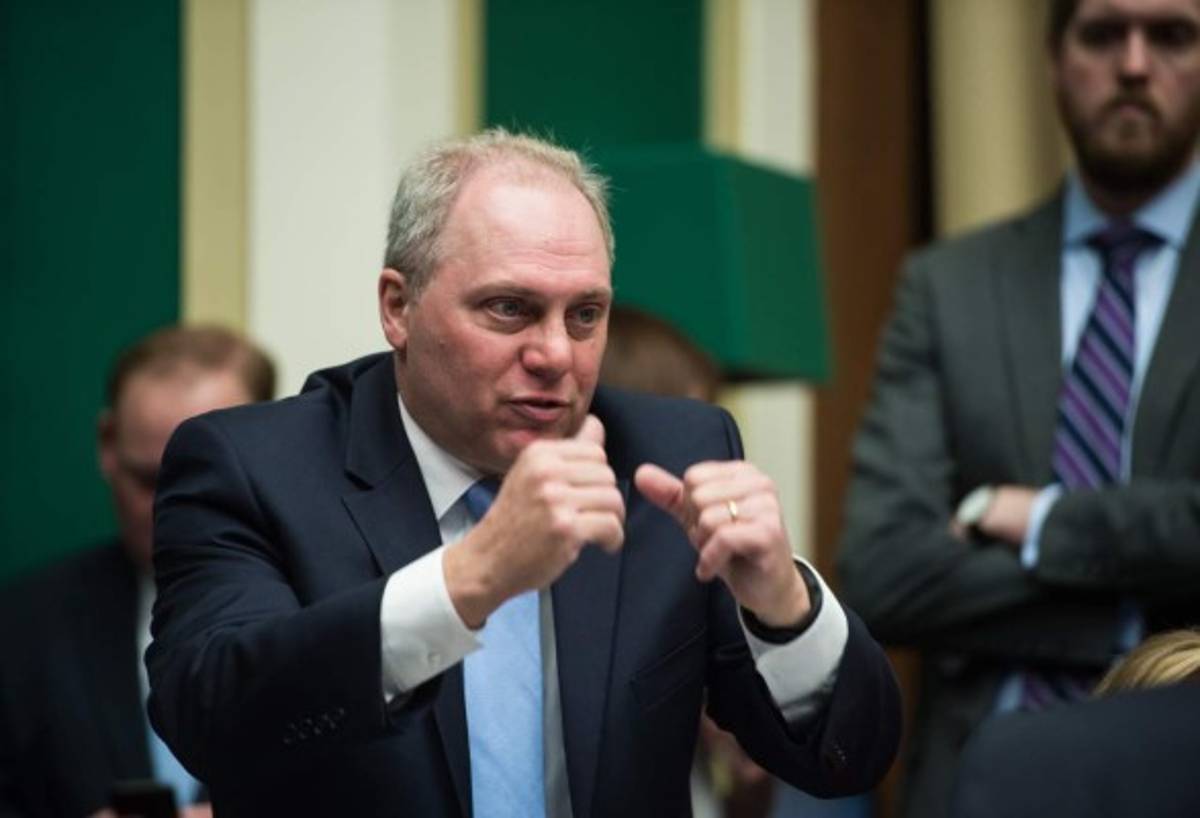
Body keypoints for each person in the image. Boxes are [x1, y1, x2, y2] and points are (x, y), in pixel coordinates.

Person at [146, 129, 901, 818]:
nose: (557, 356)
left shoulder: (667, 453)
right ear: (398, 307)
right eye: (510, 308)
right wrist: (471, 578)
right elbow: (209, 717)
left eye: (585, 315)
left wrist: (784, 606)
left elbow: (845, 759)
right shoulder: (254, 467)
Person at [836, 1, 1200, 816]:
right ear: (1053, 59)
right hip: (981, 778)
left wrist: (1040, 523)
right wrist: (1132, 603)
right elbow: (881, 571)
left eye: (1172, 36)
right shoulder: (949, 287)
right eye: (1103, 34)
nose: (1134, 64)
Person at [0, 326, 275, 818]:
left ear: (270, 449)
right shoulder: (21, 627)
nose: (175, 508)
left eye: (202, 477)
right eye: (151, 481)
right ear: (108, 444)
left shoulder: (338, 606)